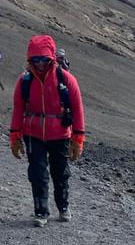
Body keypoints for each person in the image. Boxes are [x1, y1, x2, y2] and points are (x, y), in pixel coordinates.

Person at [8, 35, 86, 227]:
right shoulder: (24, 81)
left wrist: (78, 138)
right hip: (33, 134)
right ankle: (41, 211)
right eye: (36, 60)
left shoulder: (66, 79)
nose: (40, 64)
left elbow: (77, 108)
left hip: (59, 134)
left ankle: (63, 206)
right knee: (37, 173)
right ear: (30, 60)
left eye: (43, 59)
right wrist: (15, 136)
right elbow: (18, 108)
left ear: (51, 58)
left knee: (60, 173)